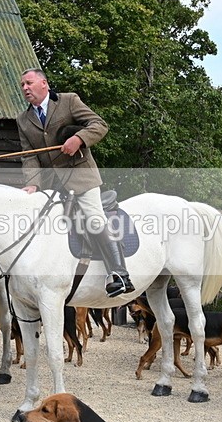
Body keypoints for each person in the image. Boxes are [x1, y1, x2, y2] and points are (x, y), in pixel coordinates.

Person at [16, 68, 134, 297]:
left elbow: (99, 125)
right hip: (51, 184)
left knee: (93, 216)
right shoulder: (22, 119)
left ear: (44, 84)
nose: (25, 88)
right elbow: (29, 155)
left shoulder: (69, 101)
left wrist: (79, 139)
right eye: (22, 85)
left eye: (28, 83)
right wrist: (33, 184)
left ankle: (120, 274)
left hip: (81, 177)